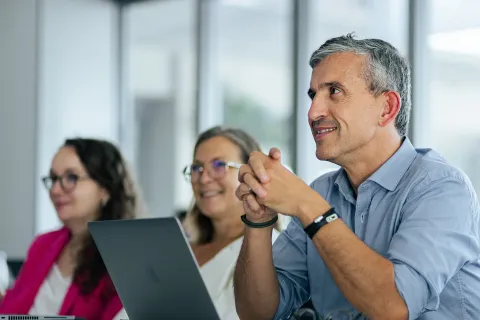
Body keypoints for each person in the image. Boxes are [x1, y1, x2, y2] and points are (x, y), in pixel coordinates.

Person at [233, 33, 480, 320]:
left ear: (386, 108)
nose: (313, 112)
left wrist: (306, 205)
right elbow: (257, 313)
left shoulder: (443, 188)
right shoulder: (322, 192)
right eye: (313, 95)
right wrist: (259, 220)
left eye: (334, 91)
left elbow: (392, 307)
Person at [0, 138, 142, 320]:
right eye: (53, 179)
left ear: (105, 189)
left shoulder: (124, 258)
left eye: (71, 178)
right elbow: (12, 309)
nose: (56, 190)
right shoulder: (43, 244)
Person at [182, 126, 280, 320]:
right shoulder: (181, 250)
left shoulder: (272, 251)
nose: (204, 178)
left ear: (251, 175)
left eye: (219, 165)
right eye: (196, 168)